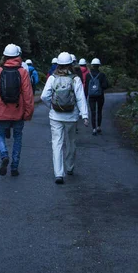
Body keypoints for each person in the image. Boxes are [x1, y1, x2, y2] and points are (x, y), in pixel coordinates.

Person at [41, 52, 88, 184]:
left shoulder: (52, 78)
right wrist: (84, 115)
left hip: (55, 116)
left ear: (58, 65)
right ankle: (70, 167)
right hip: (71, 116)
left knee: (57, 143)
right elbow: (80, 98)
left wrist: (51, 106)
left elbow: (44, 96)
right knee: (71, 142)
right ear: (71, 64)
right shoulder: (75, 79)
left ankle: (58, 174)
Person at [0, 44, 35, 176]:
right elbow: (28, 95)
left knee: (0, 135)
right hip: (18, 112)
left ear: (5, 56)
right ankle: (14, 167)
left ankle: (4, 155)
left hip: (1, 112)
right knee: (18, 138)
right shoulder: (23, 72)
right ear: (18, 56)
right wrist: (28, 113)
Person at [84, 58, 109, 135]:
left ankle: (94, 128)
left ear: (92, 65)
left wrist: (85, 96)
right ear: (99, 66)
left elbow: (86, 87)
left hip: (91, 96)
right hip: (100, 95)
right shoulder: (102, 75)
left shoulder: (88, 75)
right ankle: (98, 127)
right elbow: (106, 85)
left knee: (93, 112)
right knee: (99, 111)